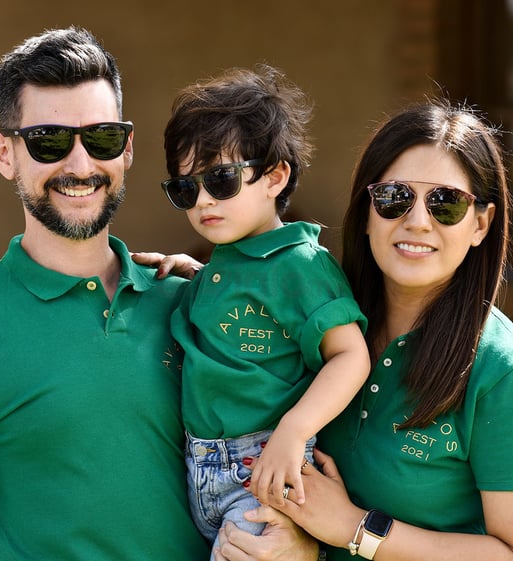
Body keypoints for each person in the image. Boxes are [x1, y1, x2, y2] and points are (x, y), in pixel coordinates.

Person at [0, 27, 316, 561]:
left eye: (102, 139)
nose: (81, 165)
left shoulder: (193, 303)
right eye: (49, 141)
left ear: (127, 148)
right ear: (3, 154)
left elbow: (301, 446)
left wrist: (300, 542)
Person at [226, 98, 513, 560]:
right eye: (395, 197)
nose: (417, 221)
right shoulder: (322, 326)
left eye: (446, 203)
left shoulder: (511, 377)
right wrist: (180, 279)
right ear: (367, 212)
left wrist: (356, 529)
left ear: (481, 224)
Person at [159, 64, 371, 554]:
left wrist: (294, 432)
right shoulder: (223, 264)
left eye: (222, 179)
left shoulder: (300, 263)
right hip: (199, 466)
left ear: (275, 176)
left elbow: (351, 356)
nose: (203, 200)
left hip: (265, 464)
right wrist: (190, 272)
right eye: (185, 189)